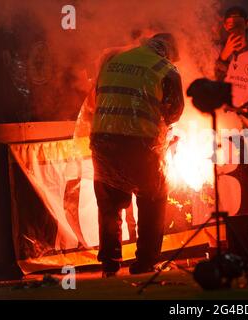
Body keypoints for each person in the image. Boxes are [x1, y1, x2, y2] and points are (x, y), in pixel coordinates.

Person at [89, 33, 184, 277]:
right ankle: (145, 261)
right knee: (153, 198)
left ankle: (109, 262)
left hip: (102, 141)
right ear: (168, 51)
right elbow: (174, 113)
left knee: (109, 204)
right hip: (140, 143)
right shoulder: (166, 68)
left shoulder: (114, 61)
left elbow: (98, 96)